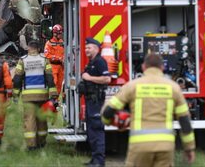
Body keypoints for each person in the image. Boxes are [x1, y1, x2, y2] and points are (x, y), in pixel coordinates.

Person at [101, 53, 196, 167]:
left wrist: (110, 121)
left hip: (140, 146)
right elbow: (185, 121)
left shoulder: (132, 86)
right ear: (162, 68)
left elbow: (107, 112)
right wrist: (189, 148)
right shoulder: (173, 88)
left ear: (143, 67)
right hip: (165, 147)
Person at [13, 40, 58, 151]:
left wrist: (15, 94)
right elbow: (49, 78)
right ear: (38, 49)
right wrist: (53, 94)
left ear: (29, 48)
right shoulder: (44, 60)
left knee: (29, 120)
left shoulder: (23, 60)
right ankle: (41, 142)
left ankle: (31, 145)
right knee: (41, 119)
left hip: (28, 97)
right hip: (42, 96)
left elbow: (17, 79)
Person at [81, 37, 111, 167]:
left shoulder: (100, 62)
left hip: (96, 101)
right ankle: (95, 159)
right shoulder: (90, 62)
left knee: (97, 130)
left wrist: (89, 77)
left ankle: (100, 161)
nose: (86, 49)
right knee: (91, 131)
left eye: (89, 47)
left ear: (96, 48)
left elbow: (107, 79)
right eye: (86, 47)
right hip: (90, 100)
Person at [44, 24, 64, 95]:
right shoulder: (49, 43)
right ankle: (53, 100)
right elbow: (47, 55)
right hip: (53, 66)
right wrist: (58, 58)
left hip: (61, 67)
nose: (61, 34)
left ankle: (58, 101)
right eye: (59, 33)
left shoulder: (62, 42)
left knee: (60, 84)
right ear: (55, 33)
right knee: (54, 83)